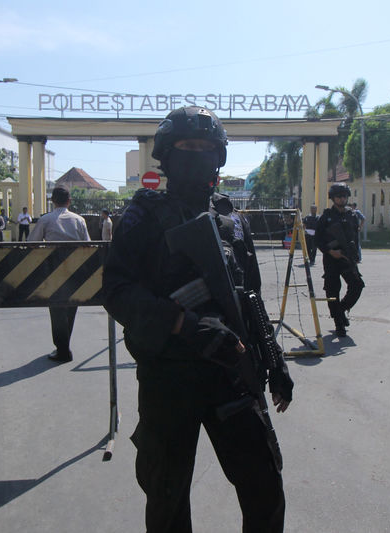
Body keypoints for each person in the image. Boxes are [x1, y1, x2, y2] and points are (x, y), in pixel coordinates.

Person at [102, 106, 292, 533]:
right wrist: (183, 324)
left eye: (207, 148)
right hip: (170, 376)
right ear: (167, 156)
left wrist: (273, 357)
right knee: (168, 498)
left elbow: (250, 297)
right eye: (188, 147)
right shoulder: (143, 216)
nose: (198, 155)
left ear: (219, 158)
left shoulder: (232, 221)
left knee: (265, 487)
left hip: (232, 372)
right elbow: (115, 290)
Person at [28, 186, 90, 362]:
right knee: (71, 308)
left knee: (56, 310)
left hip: (52, 272)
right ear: (69, 201)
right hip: (75, 271)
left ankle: (62, 349)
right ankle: (64, 346)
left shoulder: (46, 220)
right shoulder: (79, 220)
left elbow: (32, 243)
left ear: (52, 201)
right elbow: (88, 245)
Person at [316, 183, 365, 337]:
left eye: (344, 196)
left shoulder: (351, 215)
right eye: (339, 196)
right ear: (333, 198)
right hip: (332, 259)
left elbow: (355, 237)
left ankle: (341, 310)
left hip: (347, 258)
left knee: (357, 285)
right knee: (332, 291)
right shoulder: (326, 217)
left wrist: (356, 255)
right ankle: (339, 323)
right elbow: (317, 239)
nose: (342, 199)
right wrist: (330, 251)